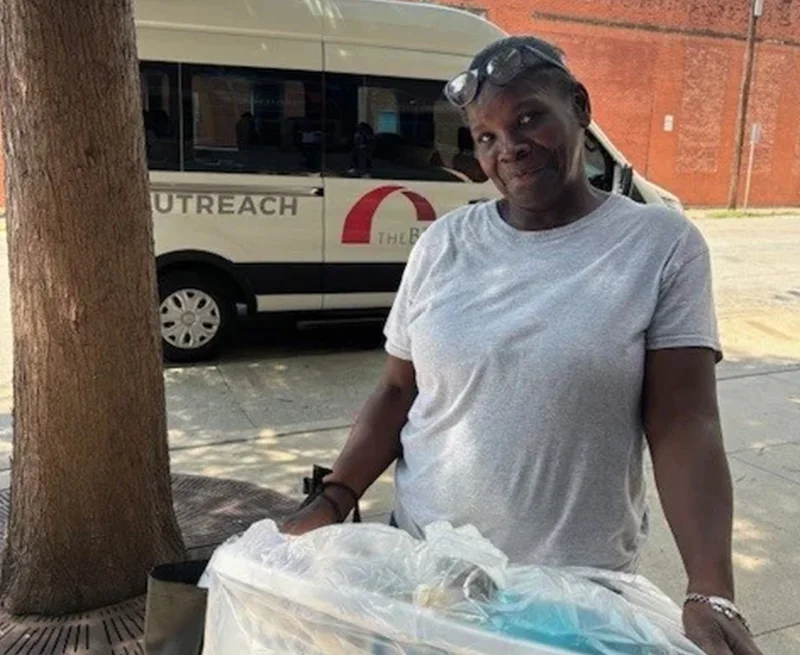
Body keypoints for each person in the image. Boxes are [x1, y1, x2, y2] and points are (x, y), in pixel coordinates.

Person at [281, 36, 762, 655]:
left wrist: (711, 588)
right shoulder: (444, 245)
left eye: (529, 117)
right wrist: (336, 495)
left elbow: (685, 421)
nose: (509, 147)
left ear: (580, 109)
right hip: (426, 578)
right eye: (485, 136)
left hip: (569, 600)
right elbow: (399, 388)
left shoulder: (659, 244)